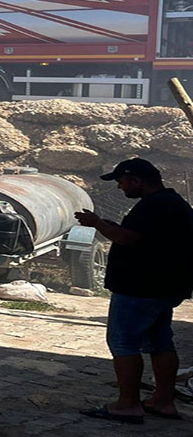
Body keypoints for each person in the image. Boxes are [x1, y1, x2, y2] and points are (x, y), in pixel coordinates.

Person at [75, 158, 193, 424]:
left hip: (140, 287)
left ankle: (127, 405)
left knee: (124, 343)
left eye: (122, 181)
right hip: (163, 286)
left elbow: (128, 239)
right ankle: (163, 401)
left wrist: (96, 223)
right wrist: (111, 226)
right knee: (160, 342)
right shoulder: (172, 203)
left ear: (137, 180)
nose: (120, 187)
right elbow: (139, 237)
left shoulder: (154, 205)